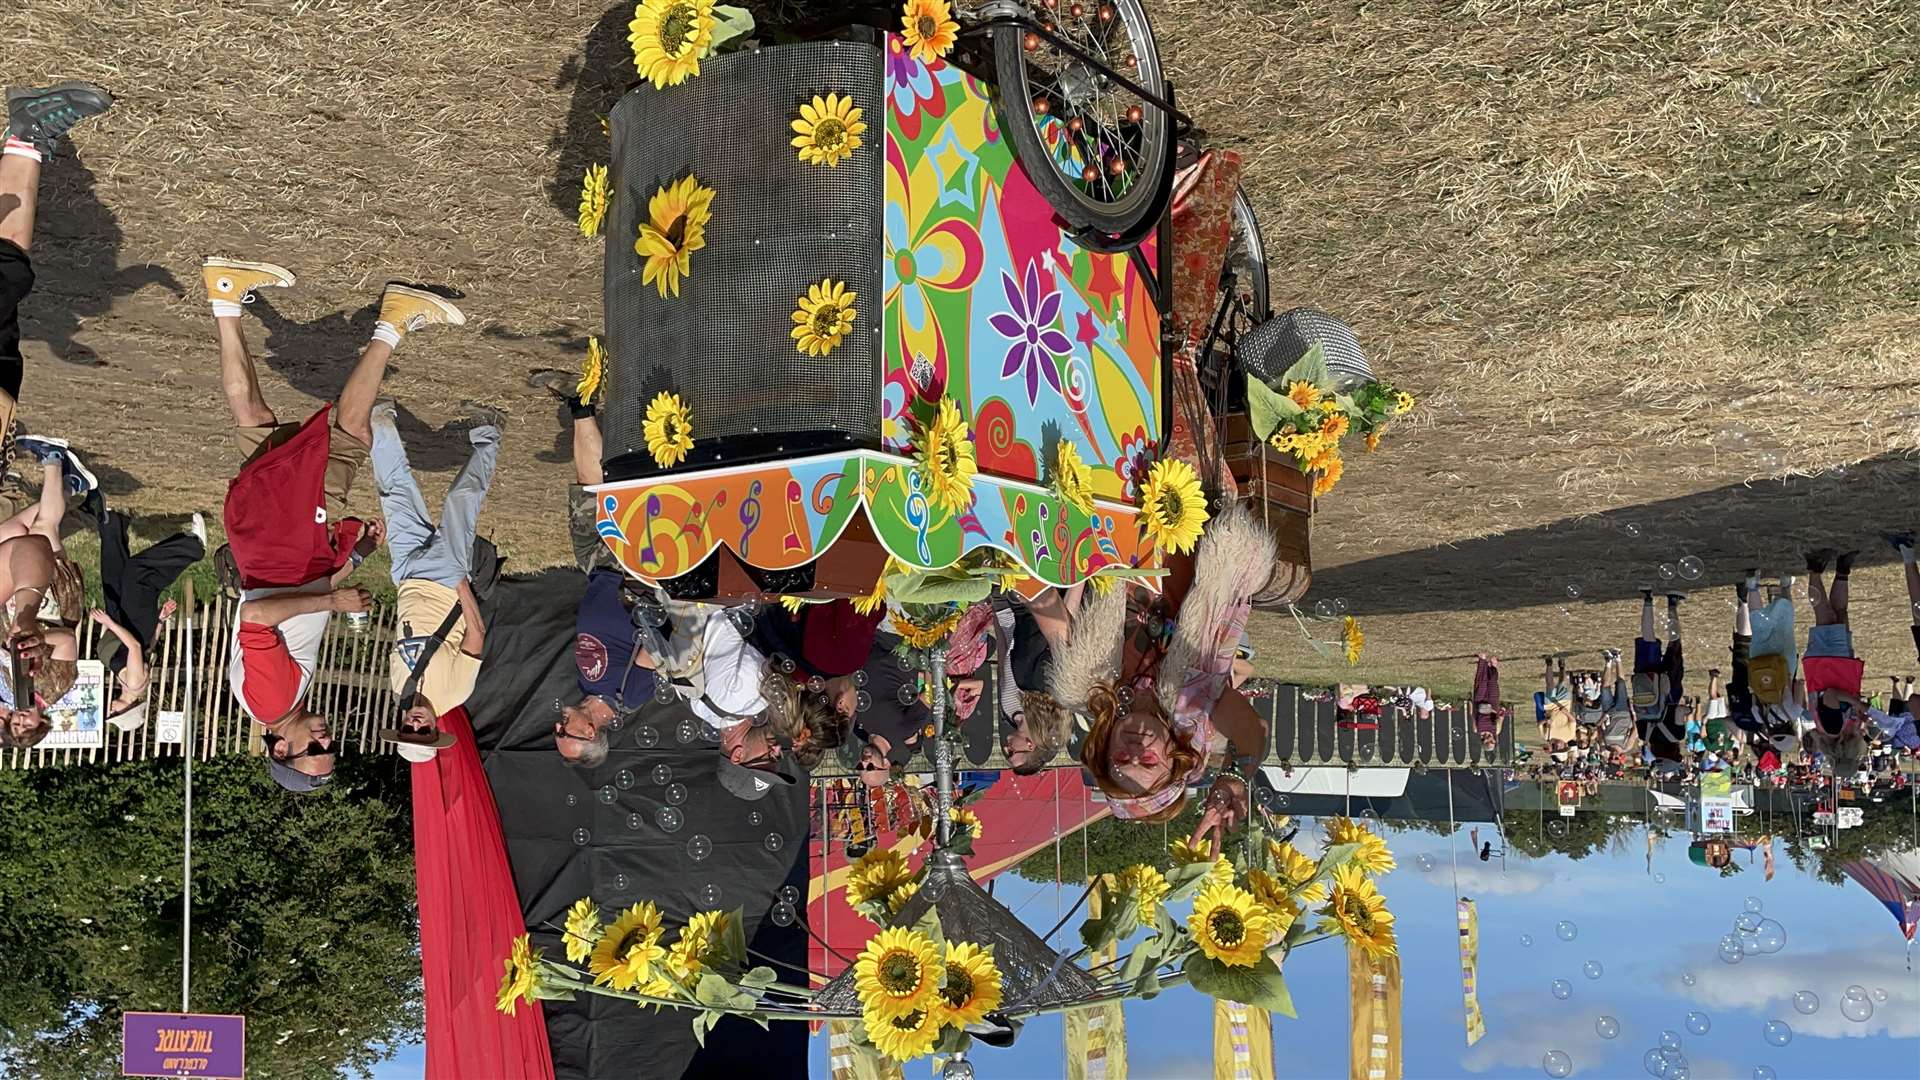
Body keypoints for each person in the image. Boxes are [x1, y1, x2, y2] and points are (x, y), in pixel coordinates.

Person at [215, 254, 465, 790]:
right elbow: (288, 618)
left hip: (283, 547)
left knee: (348, 439)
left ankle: (393, 320)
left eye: (314, 749)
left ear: (281, 747)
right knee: (256, 428)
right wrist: (349, 562)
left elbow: (256, 618)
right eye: (331, 748)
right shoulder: (280, 702)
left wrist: (333, 600)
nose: (327, 738)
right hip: (278, 552)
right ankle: (225, 298)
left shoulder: (271, 700)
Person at [1051, 507, 1274, 825]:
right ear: (1175, 758)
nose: (1136, 747)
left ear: (1105, 750)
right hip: (1196, 517)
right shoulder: (1195, 703)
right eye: (1149, 760)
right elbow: (1253, 729)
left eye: (1123, 759)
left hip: (1109, 522)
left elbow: (1050, 610)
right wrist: (1236, 777)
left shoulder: (1082, 684)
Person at [359, 396, 502, 750]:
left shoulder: (398, 686)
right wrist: (460, 582)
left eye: (408, 730)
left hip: (406, 575)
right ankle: (490, 433)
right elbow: (476, 634)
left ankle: (381, 420)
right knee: (460, 502)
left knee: (394, 494)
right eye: (423, 733)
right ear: (435, 730)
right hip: (446, 581)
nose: (416, 725)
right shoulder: (455, 692)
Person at [536, 368, 657, 767]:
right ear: (590, 732)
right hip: (627, 571)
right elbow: (659, 643)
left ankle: (581, 401)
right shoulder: (631, 694)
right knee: (618, 486)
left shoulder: (586, 685)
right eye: (563, 732)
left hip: (595, 571)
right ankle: (641, 396)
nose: (558, 725)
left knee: (587, 488)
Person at [90, 509, 208, 730]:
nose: (110, 709)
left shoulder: (126, 684)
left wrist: (161, 622)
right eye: (114, 713)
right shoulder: (135, 684)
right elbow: (134, 646)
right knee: (138, 575)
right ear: (126, 709)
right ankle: (192, 547)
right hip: (135, 623)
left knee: (114, 576)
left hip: (126, 619)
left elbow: (148, 650)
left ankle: (113, 523)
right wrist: (109, 624)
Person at [1801, 547, 1868, 775]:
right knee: (1840, 615)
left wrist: (1858, 705)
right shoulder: (1844, 729)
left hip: (1826, 664)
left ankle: (1814, 569)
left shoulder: (1832, 728)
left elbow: (1831, 694)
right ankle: (1842, 570)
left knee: (1826, 616)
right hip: (1838, 666)